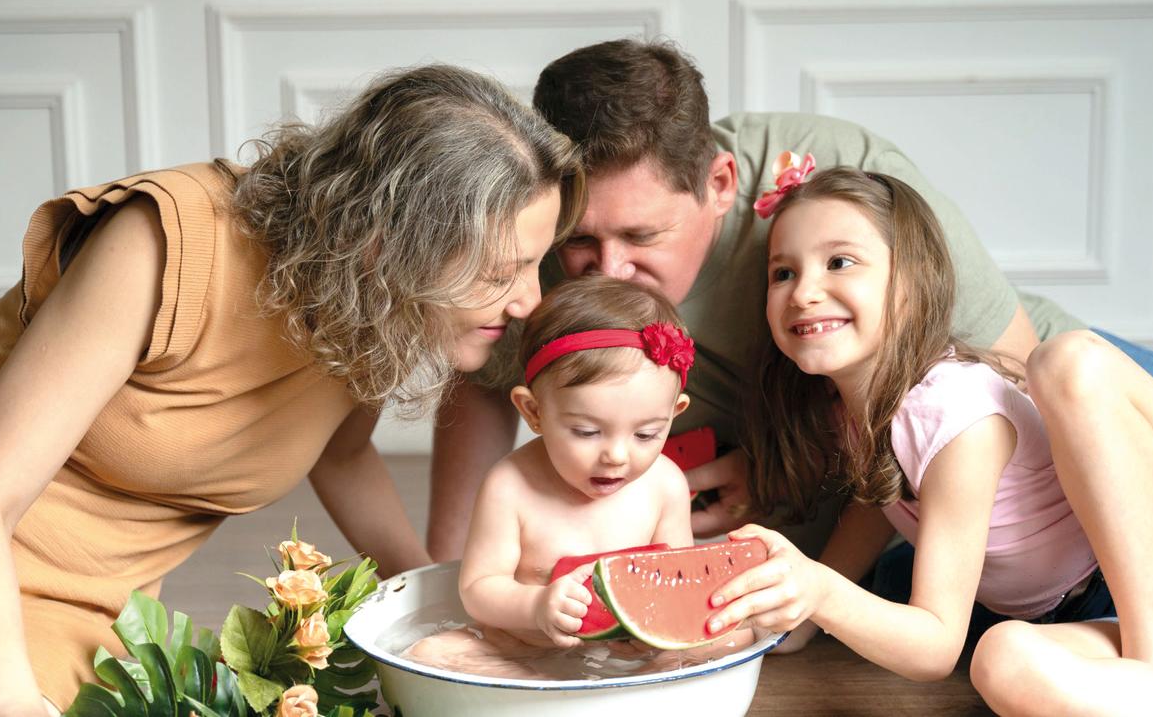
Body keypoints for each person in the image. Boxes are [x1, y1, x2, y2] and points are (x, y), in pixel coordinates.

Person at [0, 64, 584, 713]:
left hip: (107, 609)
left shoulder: (366, 299)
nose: (529, 302)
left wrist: (437, 597)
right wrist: (2, 695)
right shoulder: (161, 245)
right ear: (390, 246)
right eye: (501, 273)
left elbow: (341, 454)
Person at [427, 37, 1118, 564]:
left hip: (1043, 428)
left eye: (643, 235)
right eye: (581, 240)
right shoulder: (537, 220)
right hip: (830, 501)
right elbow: (487, 379)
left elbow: (1009, 370)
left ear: (721, 184)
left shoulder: (829, 186)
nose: (607, 269)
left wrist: (795, 463)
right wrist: (450, 576)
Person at [703, 166, 1153, 713]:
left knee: (1067, 360)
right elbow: (879, 501)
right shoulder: (845, 405)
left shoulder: (956, 411)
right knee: (1002, 659)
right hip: (1073, 613)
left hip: (1137, 579)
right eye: (782, 273)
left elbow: (935, 646)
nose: (803, 292)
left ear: (911, 282)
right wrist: (803, 616)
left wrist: (820, 591)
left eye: (839, 262)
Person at [458, 275, 694, 648]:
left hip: (627, 650)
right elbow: (477, 589)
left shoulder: (665, 485)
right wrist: (535, 605)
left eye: (646, 434)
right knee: (436, 651)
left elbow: (682, 580)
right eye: (586, 432)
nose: (616, 456)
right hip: (526, 648)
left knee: (739, 635)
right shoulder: (510, 486)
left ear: (674, 413)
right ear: (533, 412)